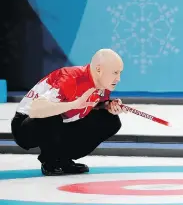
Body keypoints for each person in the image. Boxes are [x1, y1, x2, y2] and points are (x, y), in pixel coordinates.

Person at [10, 48, 126, 176]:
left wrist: (108, 106)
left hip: (63, 122)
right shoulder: (70, 78)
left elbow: (95, 104)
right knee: (54, 112)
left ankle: (64, 159)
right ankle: (50, 160)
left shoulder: (103, 85)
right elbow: (36, 109)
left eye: (120, 73)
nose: (118, 78)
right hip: (25, 125)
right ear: (99, 70)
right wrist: (74, 104)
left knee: (110, 120)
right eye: (115, 73)